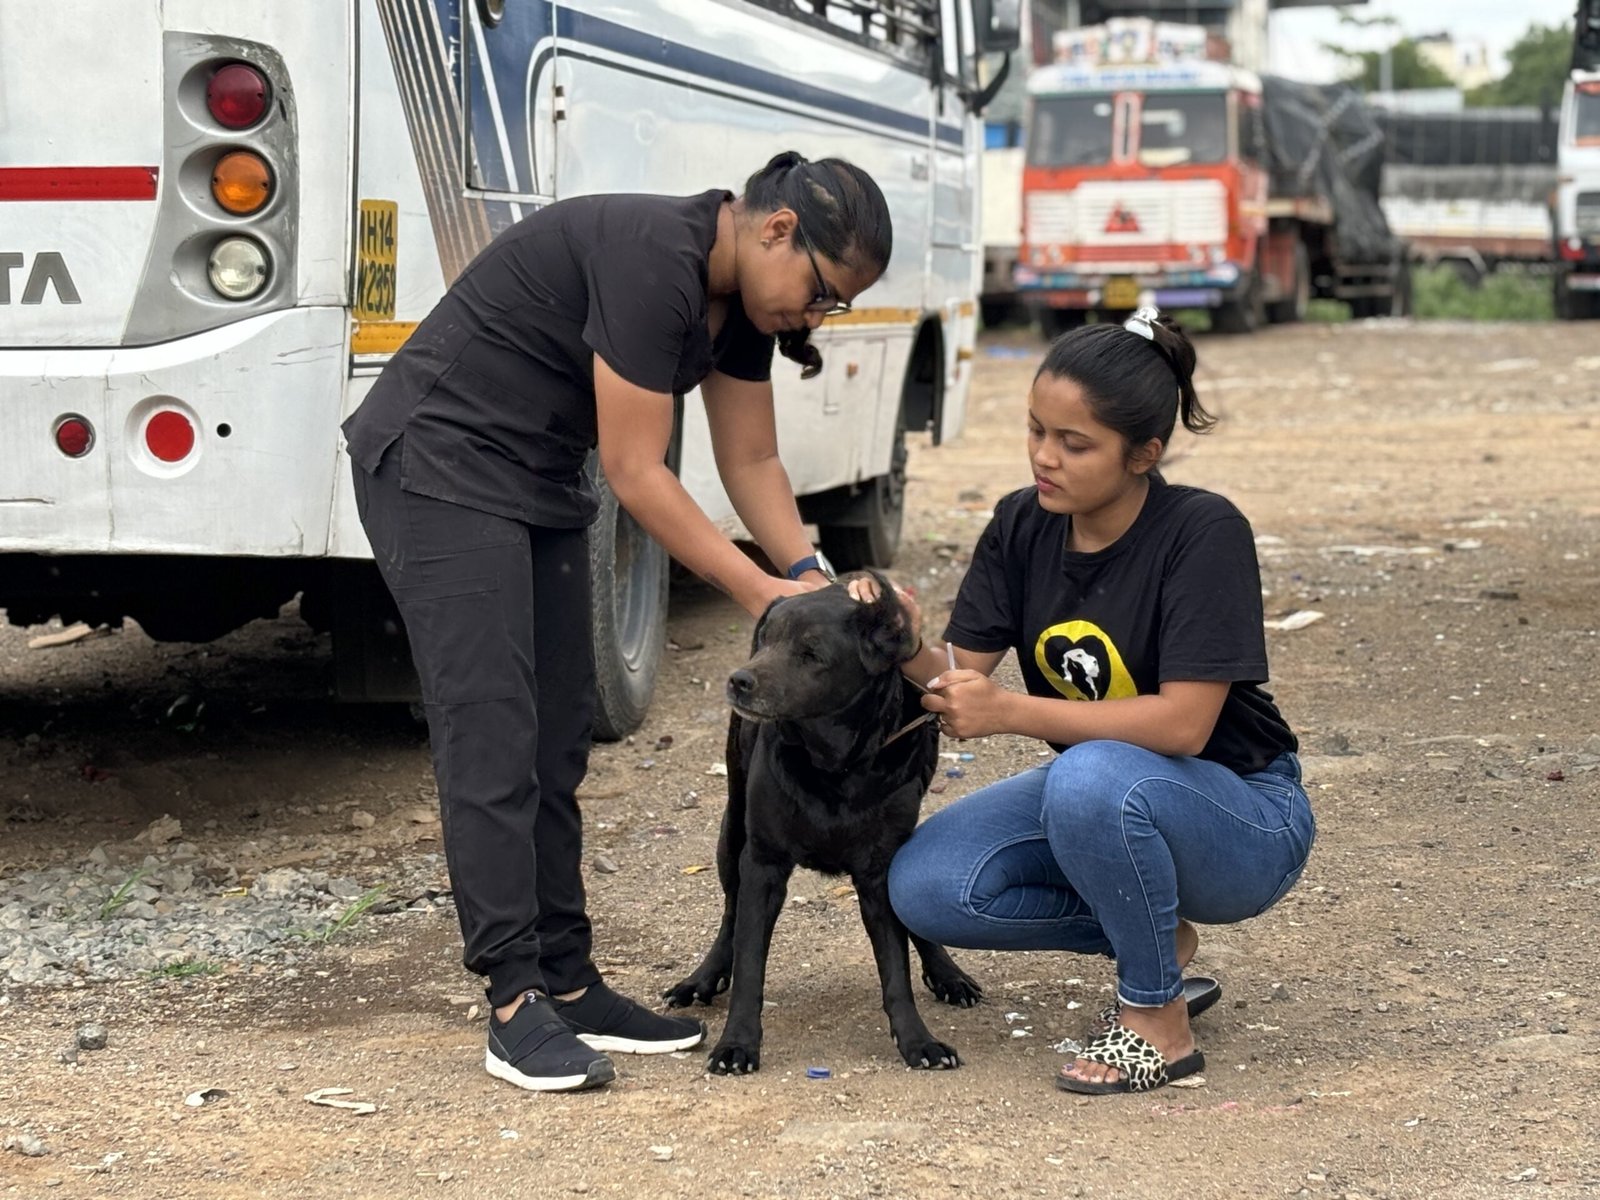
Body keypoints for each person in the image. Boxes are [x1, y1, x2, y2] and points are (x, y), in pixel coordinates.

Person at [342, 152, 893, 1093]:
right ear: (776, 231)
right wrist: (761, 596)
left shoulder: (740, 307)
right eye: (822, 292)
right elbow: (639, 472)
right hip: (439, 463)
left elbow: (751, 459)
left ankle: (567, 974)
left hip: (538, 479)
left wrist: (808, 575)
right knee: (492, 733)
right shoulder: (653, 257)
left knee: (560, 735)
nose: (816, 317)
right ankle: (515, 1003)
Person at [869, 307, 1314, 1095]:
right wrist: (899, 639)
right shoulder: (1022, 523)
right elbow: (956, 674)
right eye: (1036, 431)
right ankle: (1156, 940)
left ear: (1144, 453)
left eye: (1075, 444)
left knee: (1092, 773)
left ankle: (1158, 1023)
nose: (1046, 458)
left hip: (1245, 814)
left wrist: (1011, 711)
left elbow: (1183, 723)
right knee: (928, 887)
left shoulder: (1201, 532)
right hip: (1105, 797)